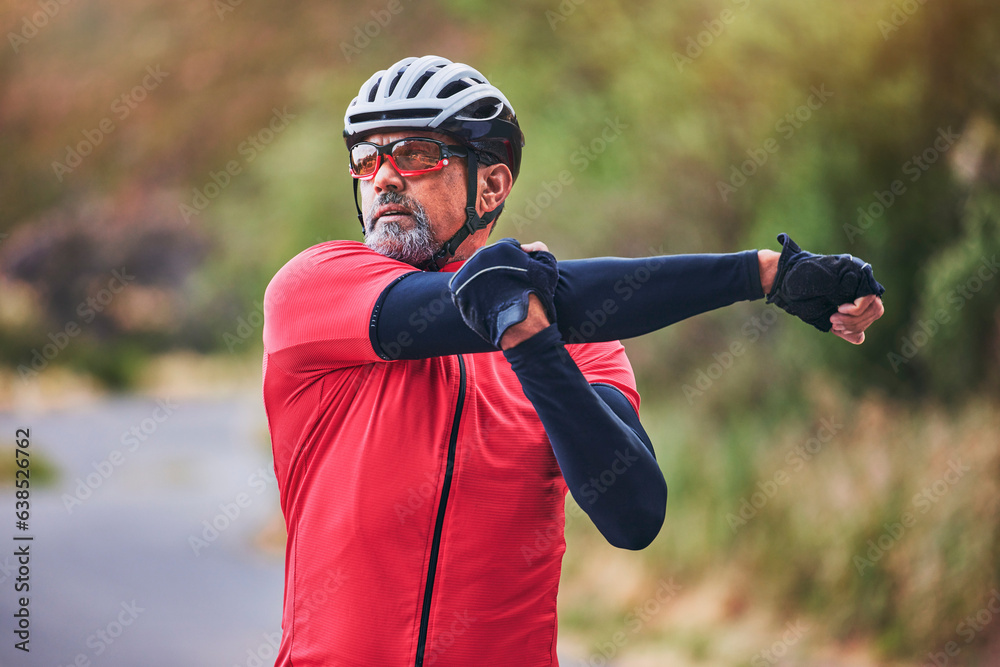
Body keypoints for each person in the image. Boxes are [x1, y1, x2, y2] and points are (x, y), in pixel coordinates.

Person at [261, 55, 885, 667]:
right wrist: (761, 273)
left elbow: (634, 515)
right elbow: (480, 298)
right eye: (367, 158)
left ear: (492, 183)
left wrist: (535, 350)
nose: (383, 178)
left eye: (417, 155)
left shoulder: (584, 343)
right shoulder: (317, 290)